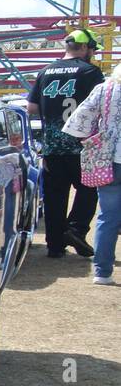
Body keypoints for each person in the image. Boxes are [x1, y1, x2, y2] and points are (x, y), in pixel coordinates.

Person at [29, 29, 106, 258]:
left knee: (54, 196)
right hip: (81, 146)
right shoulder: (90, 71)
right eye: (92, 49)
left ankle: (54, 245)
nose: (92, 53)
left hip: (52, 146)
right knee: (89, 188)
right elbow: (99, 105)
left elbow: (31, 108)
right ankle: (76, 228)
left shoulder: (45, 71)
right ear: (83, 47)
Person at [62, 61, 121, 284]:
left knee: (107, 217)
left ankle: (102, 272)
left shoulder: (105, 89)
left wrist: (90, 139)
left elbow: (78, 119)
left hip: (107, 159)